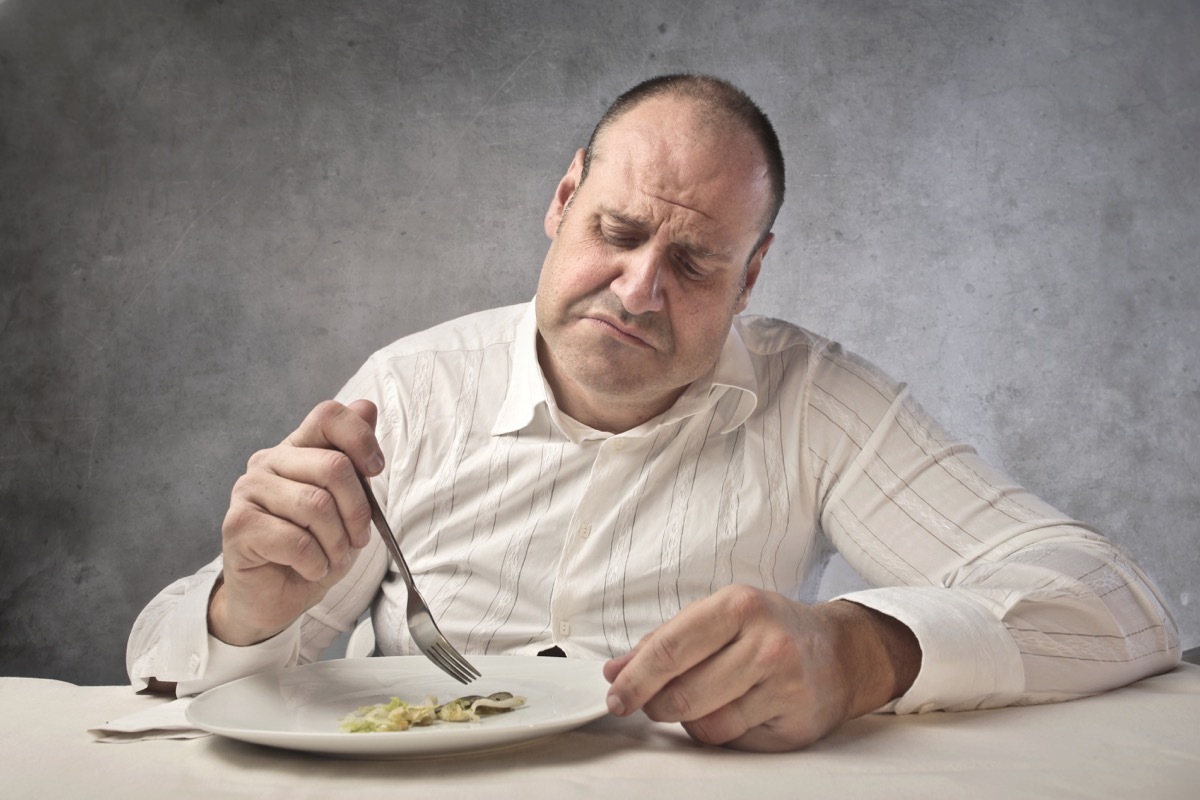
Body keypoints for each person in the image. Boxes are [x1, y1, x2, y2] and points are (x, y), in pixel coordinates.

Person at [128, 74, 1180, 752]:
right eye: (617, 232)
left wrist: (862, 653)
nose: (638, 290)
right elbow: (174, 674)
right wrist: (245, 611)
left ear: (751, 274)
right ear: (562, 201)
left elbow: (1120, 604)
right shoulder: (409, 389)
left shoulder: (816, 399)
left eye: (695, 262)